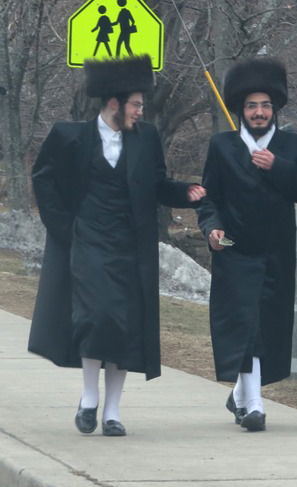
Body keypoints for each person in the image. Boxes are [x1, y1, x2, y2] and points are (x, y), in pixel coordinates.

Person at [28, 55, 206, 436]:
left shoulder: (146, 139)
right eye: (136, 104)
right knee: (95, 317)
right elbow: (42, 177)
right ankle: (89, 397)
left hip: (130, 246)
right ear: (114, 103)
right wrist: (62, 228)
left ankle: (112, 412)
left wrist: (186, 193)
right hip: (88, 242)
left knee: (124, 326)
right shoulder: (72, 137)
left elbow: (157, 184)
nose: (141, 111)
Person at [197, 58, 297, 432]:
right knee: (244, 328)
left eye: (265, 105)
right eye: (252, 106)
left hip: (276, 254)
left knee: (266, 329)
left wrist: (277, 166)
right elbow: (208, 199)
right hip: (235, 251)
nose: (259, 112)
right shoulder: (222, 146)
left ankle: (240, 394)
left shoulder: (295, 146)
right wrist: (212, 229)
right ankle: (254, 407)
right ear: (241, 109)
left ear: (275, 108)